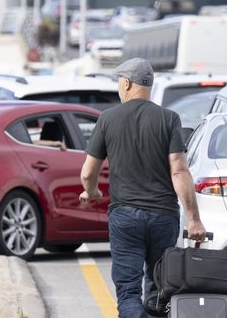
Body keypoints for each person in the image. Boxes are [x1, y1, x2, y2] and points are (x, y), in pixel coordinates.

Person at [80, 58, 206, 318]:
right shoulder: (169, 119)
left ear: (126, 83)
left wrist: (91, 192)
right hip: (163, 217)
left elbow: (88, 173)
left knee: (128, 292)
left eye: (119, 81)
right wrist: (194, 219)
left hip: (125, 217)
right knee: (159, 291)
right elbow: (179, 170)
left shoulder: (107, 119)